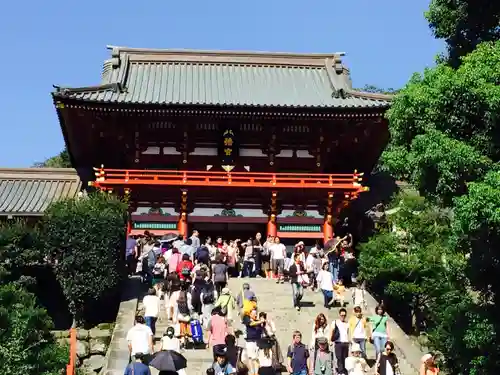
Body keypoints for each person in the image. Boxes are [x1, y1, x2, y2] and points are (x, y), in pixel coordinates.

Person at [242, 309, 265, 375]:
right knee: (250, 357)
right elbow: (251, 324)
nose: (255, 315)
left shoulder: (258, 321)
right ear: (250, 314)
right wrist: (260, 321)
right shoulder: (247, 319)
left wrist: (262, 322)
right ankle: (252, 372)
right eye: (254, 313)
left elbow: (261, 330)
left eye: (256, 313)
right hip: (249, 342)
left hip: (257, 342)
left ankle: (256, 372)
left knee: (256, 358)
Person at [331, 308, 349, 375]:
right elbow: (332, 331)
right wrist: (330, 340)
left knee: (345, 358)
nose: (343, 316)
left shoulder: (347, 323)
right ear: (339, 315)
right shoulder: (335, 322)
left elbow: (347, 333)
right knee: (339, 357)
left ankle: (344, 371)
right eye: (342, 315)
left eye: (344, 315)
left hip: (345, 343)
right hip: (338, 342)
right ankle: (341, 371)